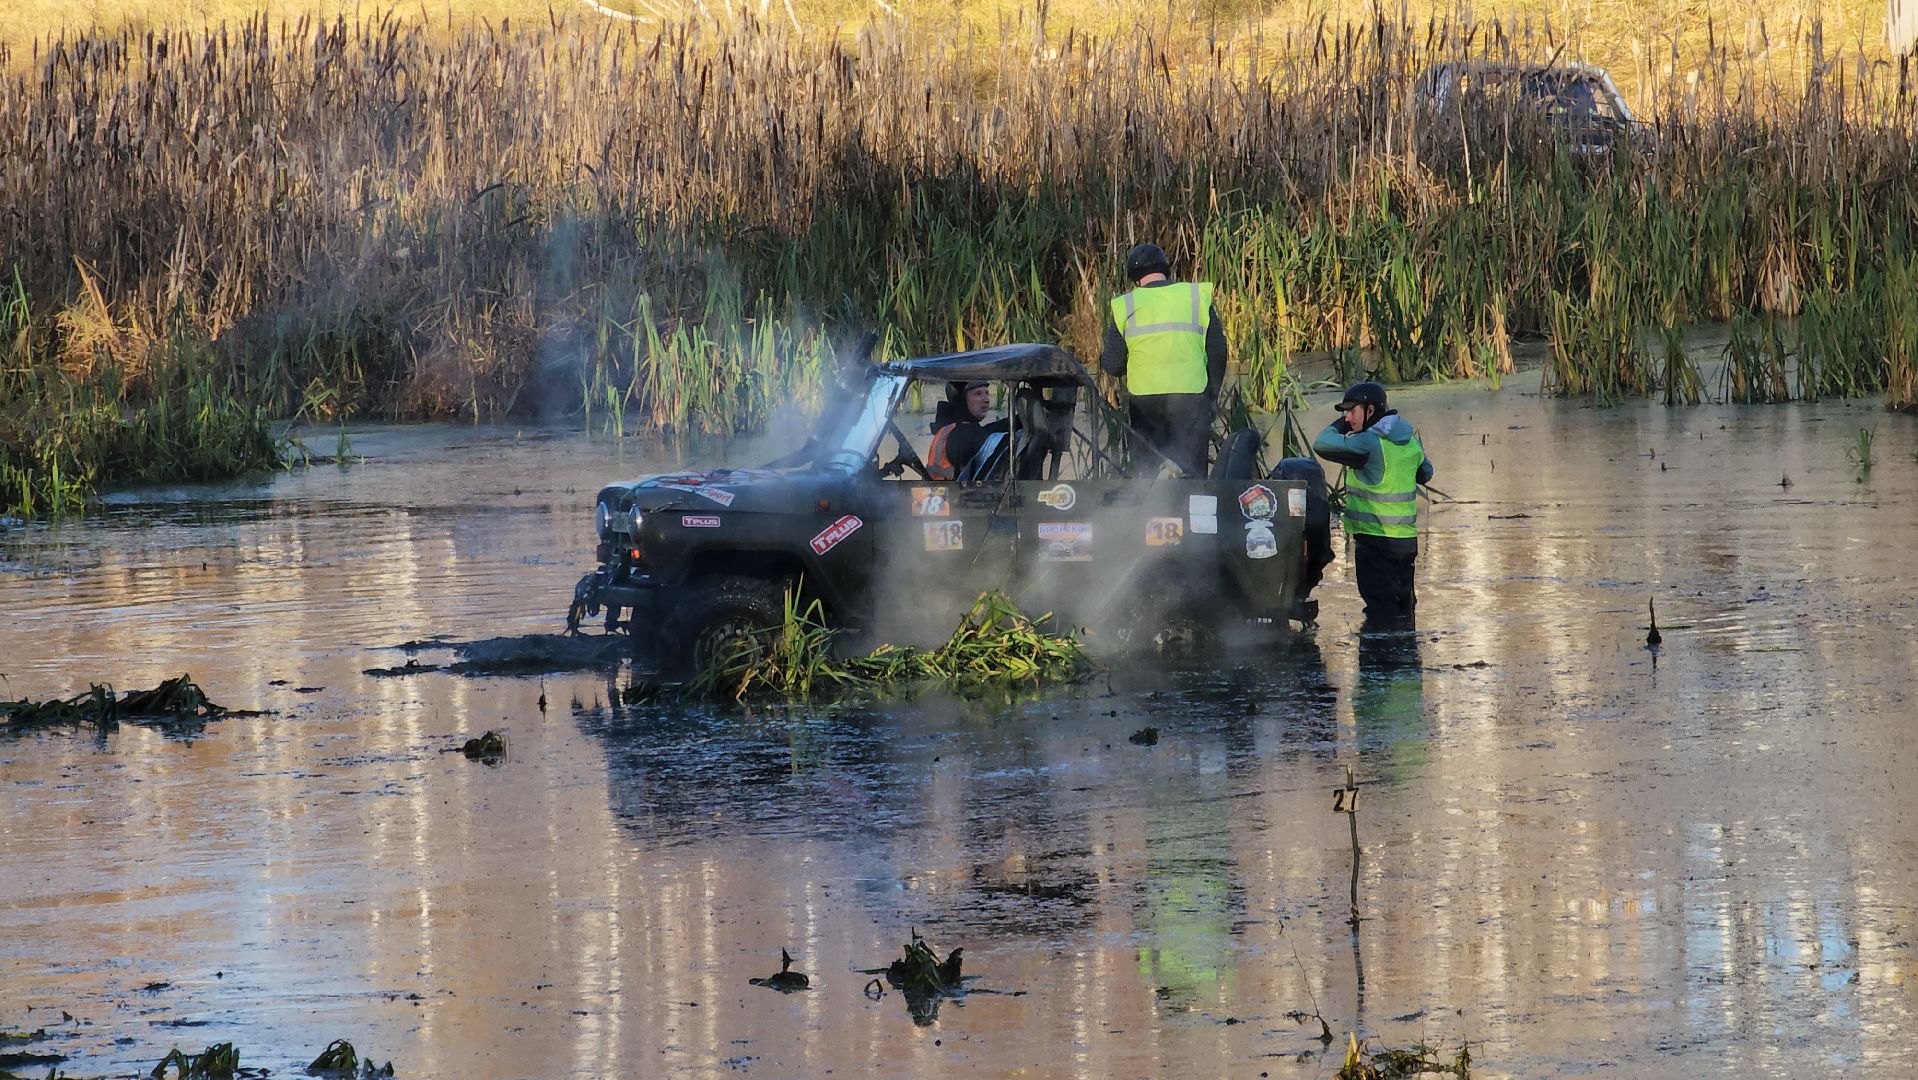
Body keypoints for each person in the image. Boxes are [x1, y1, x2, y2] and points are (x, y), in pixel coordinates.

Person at [1100, 243, 1227, 478]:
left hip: (1145, 405)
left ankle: (1152, 512)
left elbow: (1113, 365)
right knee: (1192, 478)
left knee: (1149, 476)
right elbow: (1218, 351)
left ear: (1135, 279)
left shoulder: (1125, 305)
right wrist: (1212, 395)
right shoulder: (1195, 296)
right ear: (1166, 270)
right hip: (1191, 399)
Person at [1312, 381, 1433, 624]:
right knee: (1404, 606)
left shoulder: (1368, 443)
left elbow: (1322, 443)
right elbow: (1425, 473)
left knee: (1380, 614)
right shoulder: (1409, 440)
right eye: (1344, 413)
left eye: (1351, 411)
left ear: (1370, 411)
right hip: (1406, 542)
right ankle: (1406, 658)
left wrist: (1340, 425)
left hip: (1376, 541)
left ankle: (1379, 658)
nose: (1347, 418)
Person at [926, 381, 1008, 481]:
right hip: (955, 493)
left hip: (939, 492)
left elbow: (988, 430)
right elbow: (983, 439)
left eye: (987, 393)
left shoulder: (949, 427)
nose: (986, 399)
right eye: (978, 394)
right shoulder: (963, 434)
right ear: (962, 399)